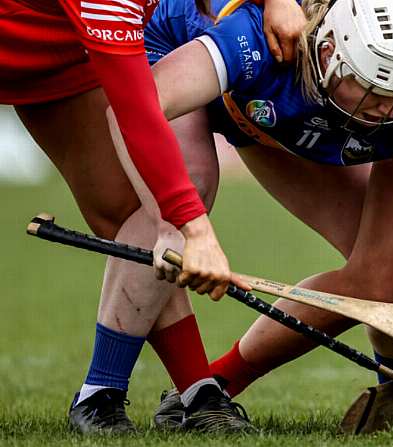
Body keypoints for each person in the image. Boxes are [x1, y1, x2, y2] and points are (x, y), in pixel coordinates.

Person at [136, 0, 393, 436]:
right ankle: (123, 394)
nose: (388, 111)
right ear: (332, 55)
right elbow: (139, 109)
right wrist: (171, 221)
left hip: (287, 115)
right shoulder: (259, 37)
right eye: (375, 91)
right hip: (192, 59)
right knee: (178, 200)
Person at [0, 0, 305, 433]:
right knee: (161, 213)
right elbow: (138, 115)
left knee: (128, 215)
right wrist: (194, 229)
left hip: (58, 51)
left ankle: (170, 394)